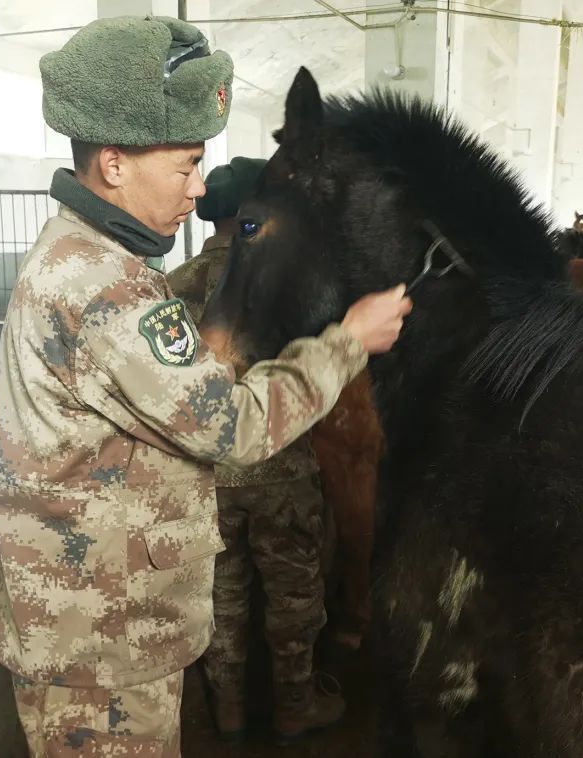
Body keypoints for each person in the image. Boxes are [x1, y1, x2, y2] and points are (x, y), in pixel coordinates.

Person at [0, 16, 412, 757]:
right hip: (97, 648)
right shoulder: (103, 286)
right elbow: (231, 427)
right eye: (185, 165)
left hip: (97, 623)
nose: (200, 186)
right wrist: (348, 342)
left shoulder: (90, 255)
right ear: (113, 164)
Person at [167, 158, 340, 744]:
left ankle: (230, 712)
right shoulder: (292, 287)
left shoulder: (175, 288)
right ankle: (295, 706)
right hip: (280, 471)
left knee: (223, 596)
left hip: (205, 479)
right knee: (294, 593)